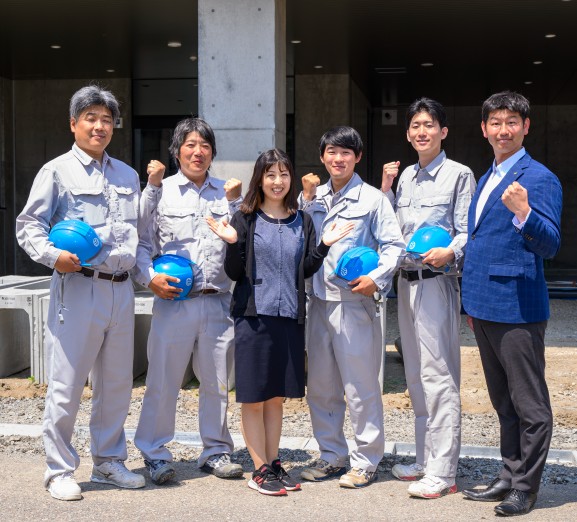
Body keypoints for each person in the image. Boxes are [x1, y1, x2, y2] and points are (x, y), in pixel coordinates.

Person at [15, 84, 163, 501]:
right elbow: (29, 225)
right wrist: (52, 256)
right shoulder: (56, 171)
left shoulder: (126, 175)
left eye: (106, 119)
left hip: (121, 290)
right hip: (78, 287)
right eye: (90, 118)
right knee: (67, 385)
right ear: (73, 124)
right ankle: (59, 470)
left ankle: (109, 461)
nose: (99, 126)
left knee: (116, 384)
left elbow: (137, 234)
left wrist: (146, 276)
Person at [207, 148, 354, 496]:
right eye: (270, 174)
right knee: (254, 397)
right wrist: (232, 243)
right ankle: (258, 469)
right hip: (253, 317)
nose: (278, 181)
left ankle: (274, 462)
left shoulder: (301, 220)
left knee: (275, 397)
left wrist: (324, 245)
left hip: (289, 316)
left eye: (284, 174)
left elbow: (305, 269)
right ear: (260, 179)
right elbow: (234, 272)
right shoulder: (245, 218)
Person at [461, 91, 562, 517]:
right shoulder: (488, 175)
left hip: (518, 307)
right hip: (484, 306)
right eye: (496, 122)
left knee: (530, 405)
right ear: (484, 128)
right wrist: (470, 305)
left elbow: (550, 244)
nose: (503, 130)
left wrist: (524, 213)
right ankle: (509, 472)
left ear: (526, 127)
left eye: (512, 122)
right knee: (503, 402)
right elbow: (481, 240)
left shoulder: (539, 178)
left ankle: (526, 487)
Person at [132, 117, 244, 485]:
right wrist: (150, 278)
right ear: (177, 151)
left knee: (216, 383)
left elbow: (244, 239)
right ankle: (154, 453)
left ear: (213, 152)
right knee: (163, 380)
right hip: (173, 303)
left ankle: (216, 451)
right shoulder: (160, 191)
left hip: (218, 301)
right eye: (190, 145)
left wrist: (236, 202)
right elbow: (141, 243)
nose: (198, 152)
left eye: (205, 146)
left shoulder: (227, 193)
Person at [299, 126, 405, 489]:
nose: (338, 158)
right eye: (331, 151)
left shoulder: (373, 199)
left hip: (354, 304)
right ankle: (332, 455)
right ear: (322, 156)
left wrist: (376, 278)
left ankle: (366, 461)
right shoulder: (312, 197)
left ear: (357, 157)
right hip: (318, 303)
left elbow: (394, 246)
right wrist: (305, 198)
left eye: (346, 152)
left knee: (360, 388)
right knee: (321, 387)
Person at [381, 98, 476, 499]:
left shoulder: (459, 175)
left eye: (429, 125)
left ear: (443, 131)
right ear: (408, 134)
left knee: (439, 376)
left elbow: (467, 230)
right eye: (416, 126)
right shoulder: (406, 177)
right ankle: (424, 460)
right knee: (417, 377)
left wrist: (450, 251)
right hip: (406, 282)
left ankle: (443, 472)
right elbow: (392, 229)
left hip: (437, 283)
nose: (422, 132)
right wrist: (386, 190)